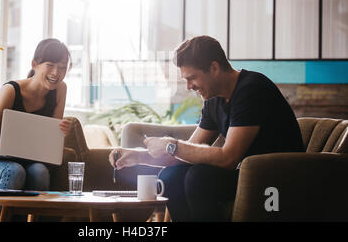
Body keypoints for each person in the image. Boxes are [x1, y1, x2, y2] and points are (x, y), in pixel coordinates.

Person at [109, 35, 304, 222]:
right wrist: (137, 156)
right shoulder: (214, 100)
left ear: (214, 67)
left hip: (276, 177)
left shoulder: (252, 90)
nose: (188, 87)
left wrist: (172, 145)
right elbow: (185, 153)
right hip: (246, 173)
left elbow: (228, 158)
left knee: (200, 177)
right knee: (171, 176)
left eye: (192, 78)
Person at [0, 38, 73, 222]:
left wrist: (61, 133)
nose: (57, 73)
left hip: (24, 162)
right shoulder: (10, 91)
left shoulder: (60, 90)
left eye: (63, 67)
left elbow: (49, 151)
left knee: (40, 171)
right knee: (15, 170)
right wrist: (22, 154)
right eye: (50, 65)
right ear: (35, 64)